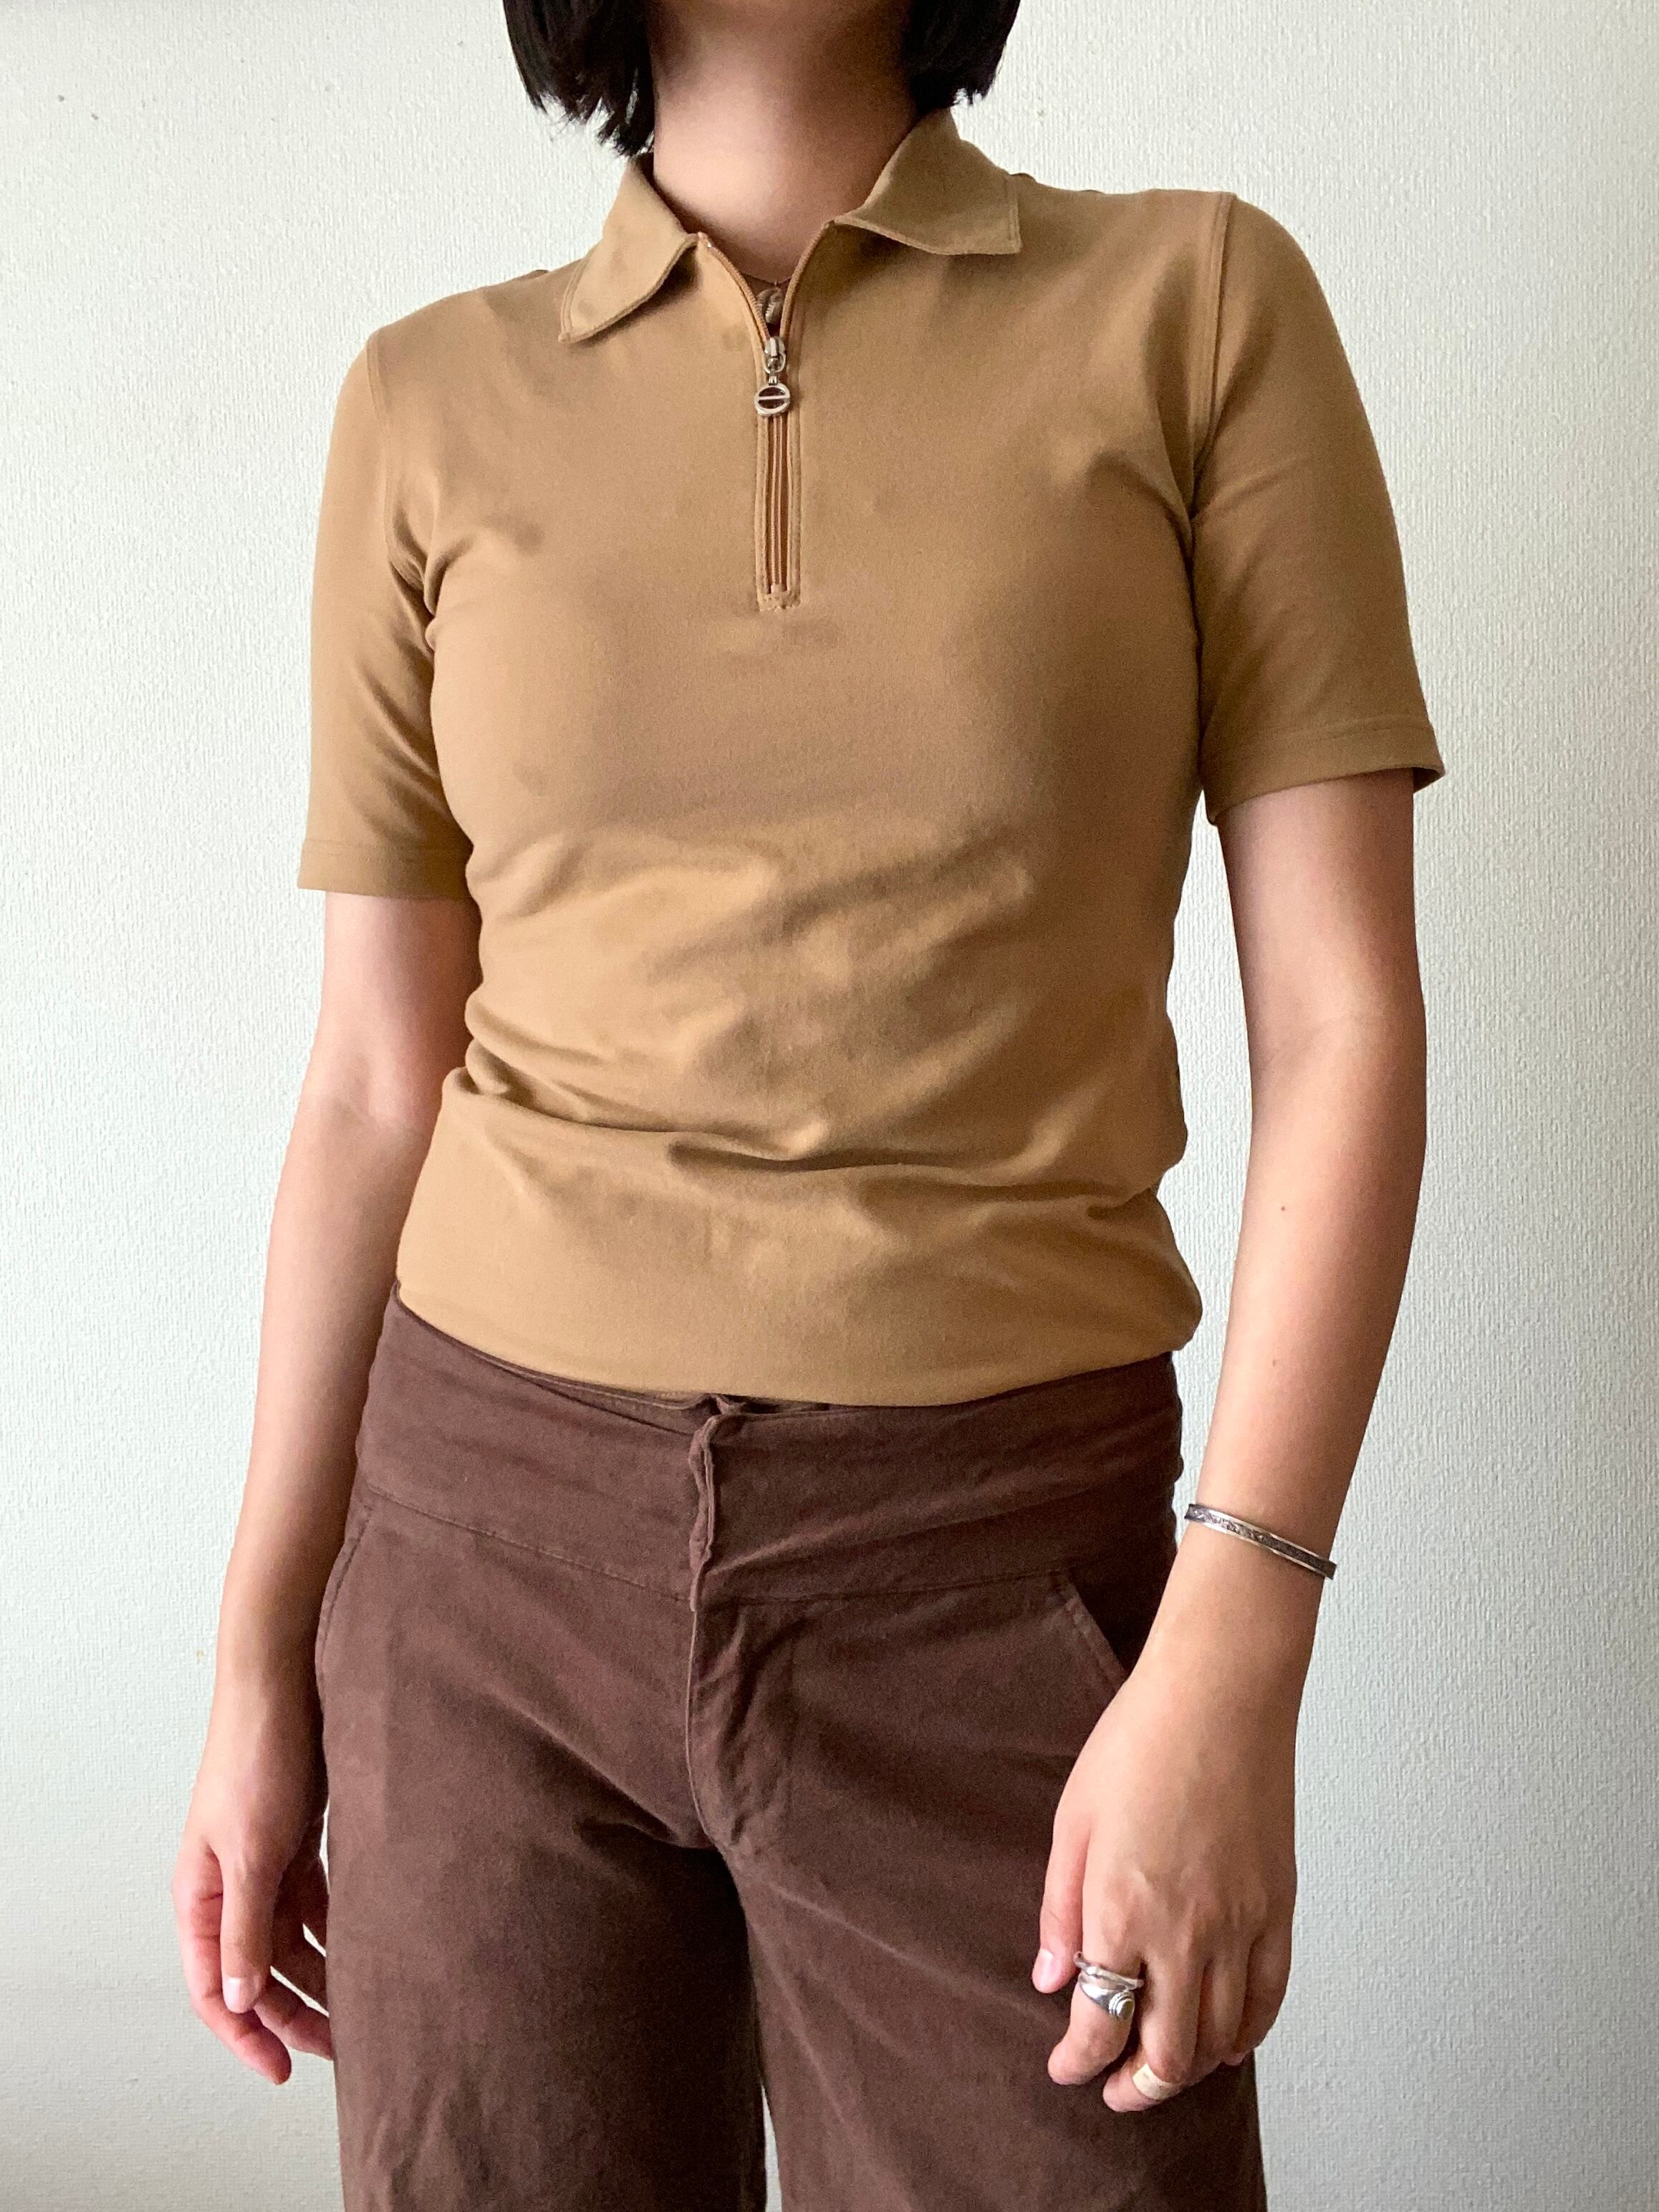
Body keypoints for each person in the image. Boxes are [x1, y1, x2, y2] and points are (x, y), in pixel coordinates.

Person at [172, 2, 1446, 2206]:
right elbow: (375, 1078)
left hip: (987, 1570)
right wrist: (257, 1654)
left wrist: (1239, 1647)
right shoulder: (427, 399)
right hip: (476, 1574)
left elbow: (1340, 1024)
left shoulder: (1195, 307)